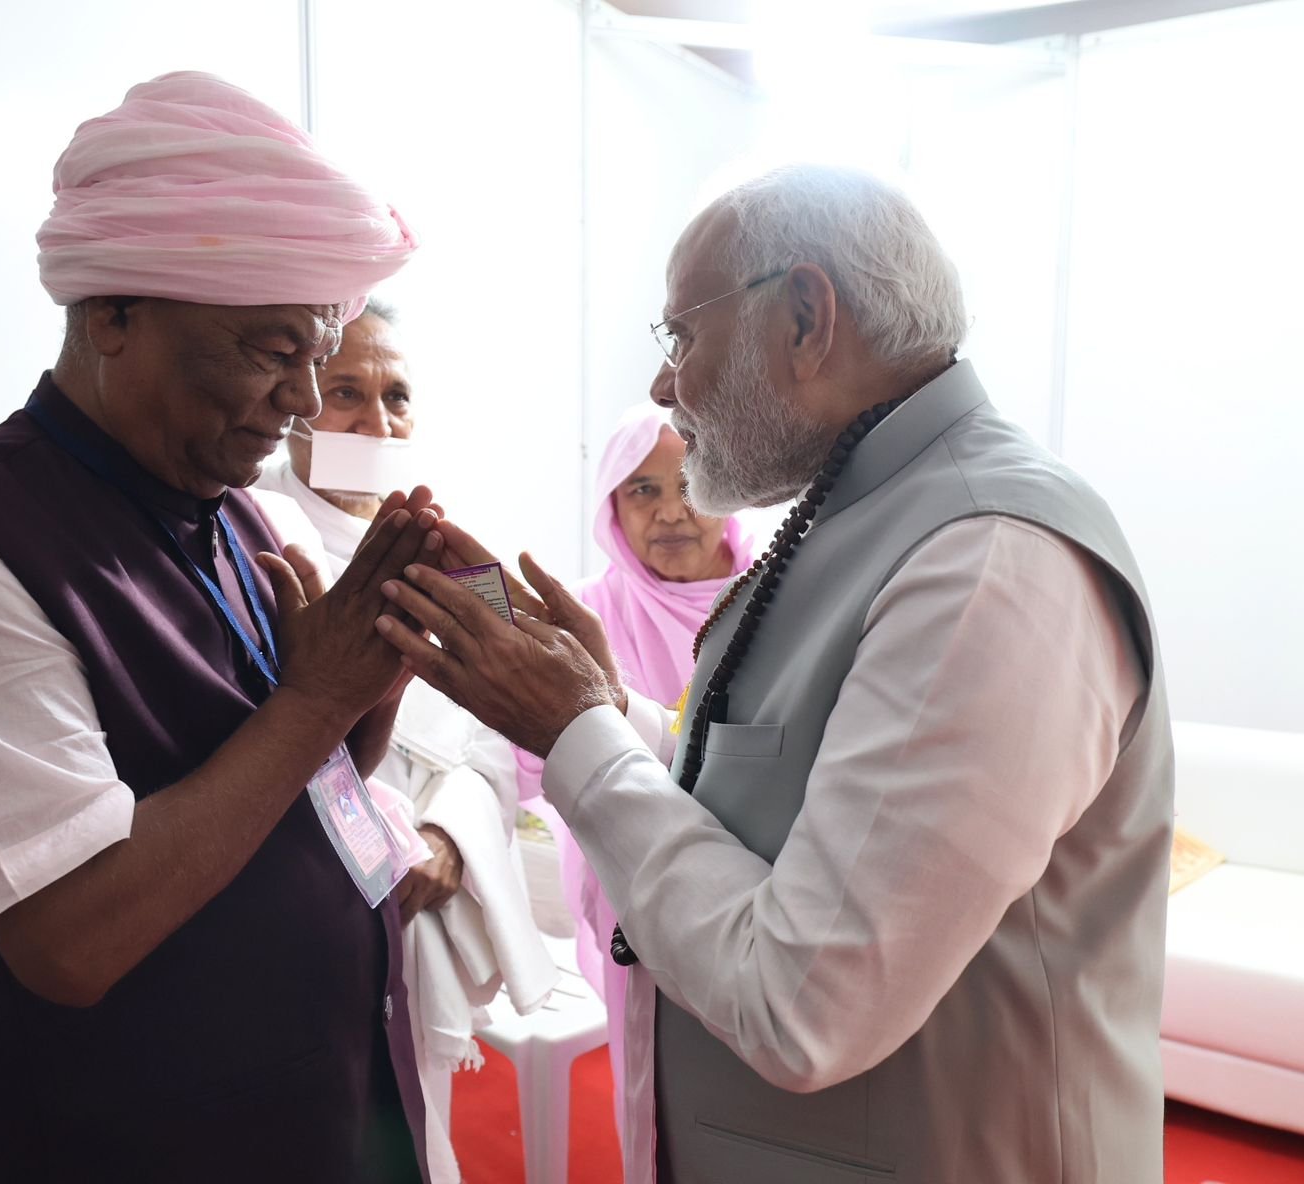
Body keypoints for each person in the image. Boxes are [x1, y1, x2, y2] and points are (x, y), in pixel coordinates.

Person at [375, 164, 1173, 1183]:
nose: (664, 384)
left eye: (679, 337)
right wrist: (602, 701)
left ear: (804, 317)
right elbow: (795, 784)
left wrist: (577, 732)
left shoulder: (987, 562)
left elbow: (807, 1005)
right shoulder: (860, 513)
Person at [0, 72, 437, 1183]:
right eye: (269, 348)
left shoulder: (228, 513)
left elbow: (294, 796)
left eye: (317, 348)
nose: (303, 399)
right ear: (112, 314)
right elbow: (72, 937)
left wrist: (367, 691)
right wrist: (315, 700)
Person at [256, 302, 558, 1184]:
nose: (376, 423)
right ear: (300, 398)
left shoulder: (456, 549)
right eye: (347, 393)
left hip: (418, 901)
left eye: (397, 397)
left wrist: (446, 840)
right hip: (290, 905)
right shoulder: (249, 532)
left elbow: (502, 730)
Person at [515, 402, 755, 1138]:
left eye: (688, 482)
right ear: (611, 505)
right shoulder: (586, 614)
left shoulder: (778, 597)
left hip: (763, 896)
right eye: (641, 489)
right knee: (657, 1113)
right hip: (639, 912)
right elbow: (524, 748)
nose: (671, 511)